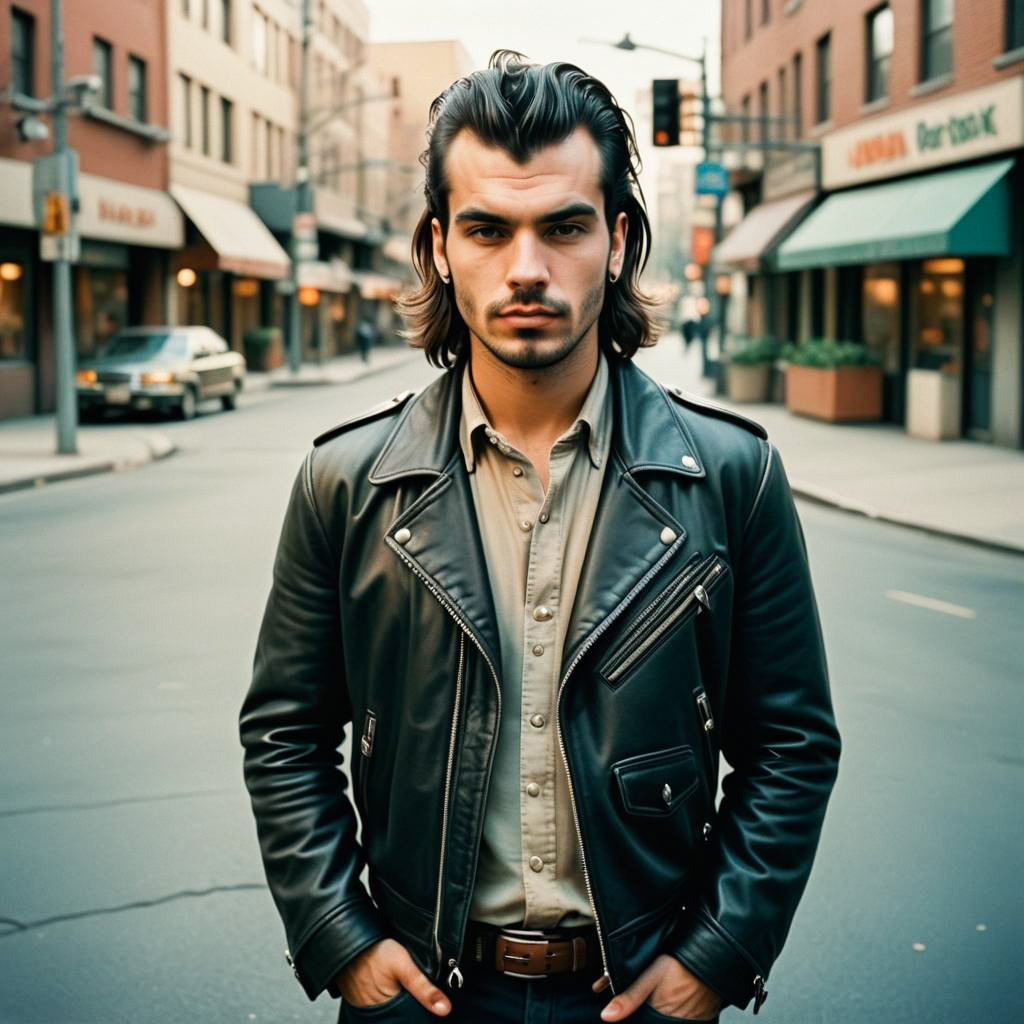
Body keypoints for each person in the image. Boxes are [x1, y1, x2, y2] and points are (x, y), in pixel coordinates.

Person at [240, 51, 840, 1024]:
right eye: (487, 228)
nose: (526, 268)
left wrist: (715, 959)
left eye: (562, 226)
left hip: (639, 989)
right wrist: (341, 939)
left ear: (616, 240)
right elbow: (284, 735)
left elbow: (789, 744)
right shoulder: (345, 483)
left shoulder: (731, 477)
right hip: (420, 995)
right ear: (440, 246)